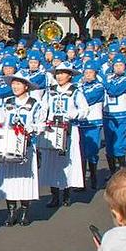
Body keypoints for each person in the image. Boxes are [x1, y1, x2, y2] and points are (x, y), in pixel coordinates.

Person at [0, 73, 46, 227]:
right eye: (13, 84)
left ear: (26, 86)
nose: (15, 87)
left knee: (24, 180)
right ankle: (11, 213)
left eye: (18, 84)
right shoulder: (7, 102)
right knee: (9, 180)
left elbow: (41, 125)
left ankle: (24, 212)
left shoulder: (35, 104)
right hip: (8, 146)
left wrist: (30, 129)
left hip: (26, 146)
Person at [39, 62, 88, 209]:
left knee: (67, 161)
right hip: (52, 129)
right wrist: (43, 120)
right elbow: (43, 108)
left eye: (62, 73)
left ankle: (66, 193)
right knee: (52, 162)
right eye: (57, 73)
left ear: (69, 75)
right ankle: (54, 195)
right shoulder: (50, 91)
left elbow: (85, 110)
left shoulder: (75, 91)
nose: (59, 76)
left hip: (69, 129)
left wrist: (73, 115)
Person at [101, 55, 126, 173]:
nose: (118, 68)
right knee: (109, 145)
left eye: (121, 65)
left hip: (123, 115)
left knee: (119, 144)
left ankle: (122, 171)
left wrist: (104, 82)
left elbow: (114, 91)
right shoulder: (108, 78)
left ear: (125, 66)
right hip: (108, 115)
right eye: (116, 65)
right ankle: (112, 172)